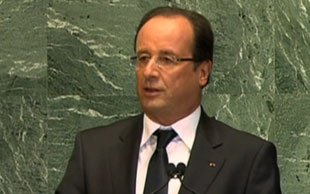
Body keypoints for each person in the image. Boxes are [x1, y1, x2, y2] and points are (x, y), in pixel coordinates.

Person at [56, 6, 282, 194]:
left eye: (166, 59)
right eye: (143, 58)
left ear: (203, 72)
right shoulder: (94, 151)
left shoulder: (247, 159)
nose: (149, 71)